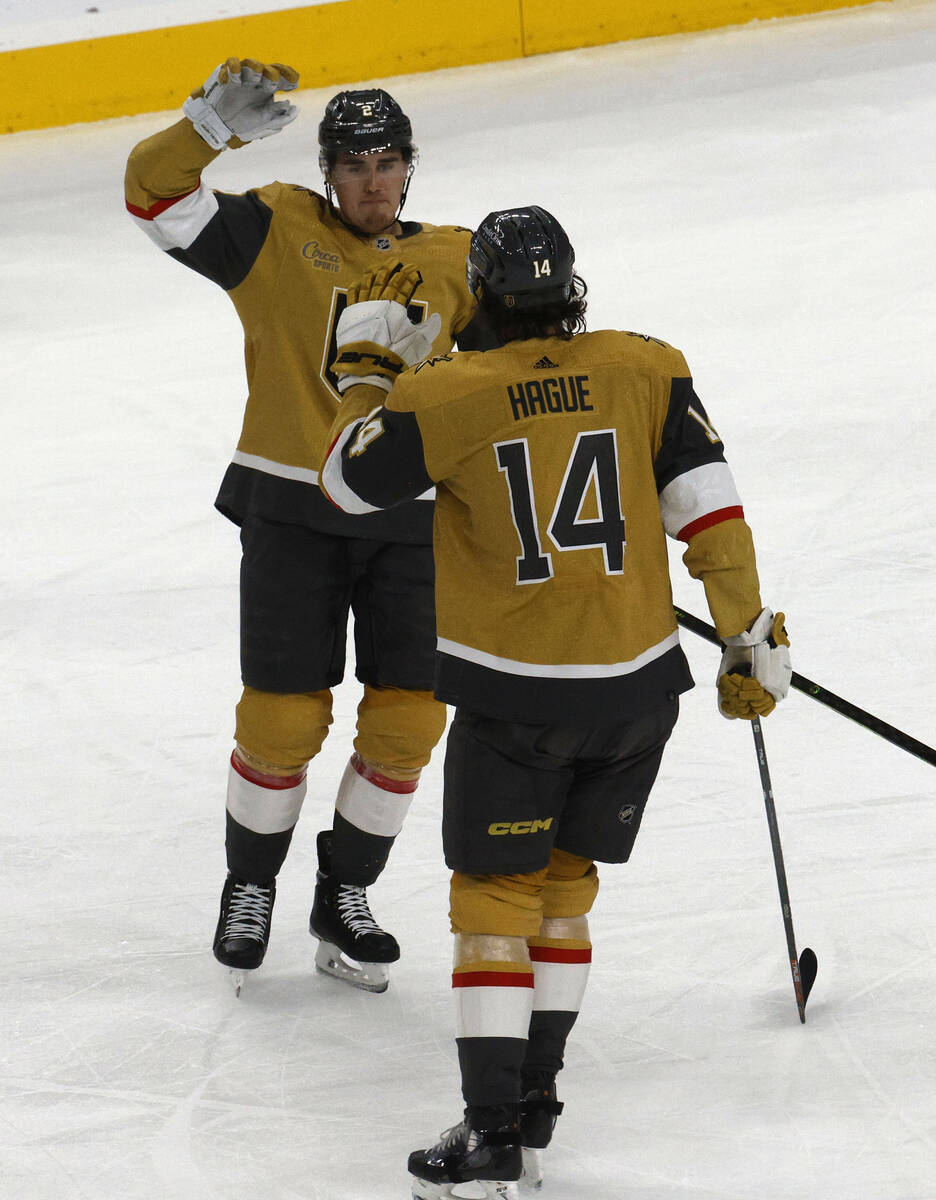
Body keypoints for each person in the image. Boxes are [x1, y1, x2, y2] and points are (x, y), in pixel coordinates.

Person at [318, 208, 792, 1197]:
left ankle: (494, 1131)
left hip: (518, 699)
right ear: (572, 287)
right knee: (566, 888)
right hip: (636, 693)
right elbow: (714, 516)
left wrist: (375, 379)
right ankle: (534, 1107)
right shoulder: (647, 367)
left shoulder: (444, 393)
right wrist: (748, 639)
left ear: (481, 294)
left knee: (496, 900)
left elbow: (347, 488)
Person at [124, 58, 486, 993]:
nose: (373, 181)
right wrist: (205, 127)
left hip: (411, 523)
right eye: (356, 164)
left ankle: (345, 892)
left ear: (411, 169)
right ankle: (250, 886)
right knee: (283, 720)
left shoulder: (457, 260)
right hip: (293, 509)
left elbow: (519, 378)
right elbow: (153, 197)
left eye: (389, 162)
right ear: (328, 171)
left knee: (410, 720)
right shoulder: (274, 231)